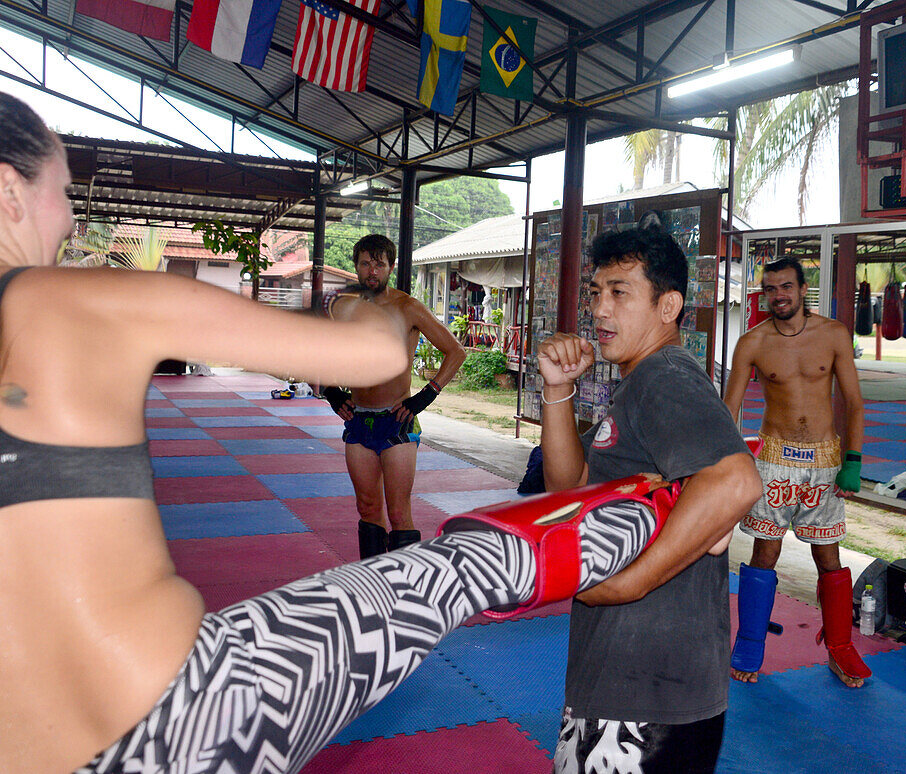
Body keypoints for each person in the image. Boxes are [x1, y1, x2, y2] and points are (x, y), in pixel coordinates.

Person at [0, 92, 676, 774]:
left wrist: (414, 378)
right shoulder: (68, 297)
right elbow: (375, 357)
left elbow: (425, 357)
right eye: (62, 190)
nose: (70, 215)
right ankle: (639, 520)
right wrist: (365, 320)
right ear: (10, 188)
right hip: (185, 714)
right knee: (459, 564)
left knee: (404, 515)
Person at [537, 216, 762, 773]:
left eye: (620, 293)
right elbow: (568, 490)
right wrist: (556, 391)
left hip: (647, 694)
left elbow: (736, 480)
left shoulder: (665, 376)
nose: (600, 309)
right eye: (596, 292)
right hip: (630, 681)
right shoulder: (641, 380)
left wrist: (628, 584)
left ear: (669, 307)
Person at [723, 256, 871, 688]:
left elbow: (855, 403)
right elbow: (729, 410)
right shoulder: (752, 341)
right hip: (773, 458)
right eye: (770, 289)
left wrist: (854, 462)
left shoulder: (834, 334)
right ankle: (750, 644)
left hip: (825, 460)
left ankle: (840, 649)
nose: (778, 296)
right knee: (764, 554)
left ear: (803, 289)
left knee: (828, 556)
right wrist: (729, 462)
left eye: (786, 287)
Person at [319, 234, 466, 558]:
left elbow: (456, 351)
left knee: (398, 512)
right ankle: (374, 584)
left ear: (391, 267)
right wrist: (330, 391)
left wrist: (425, 396)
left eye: (379, 264)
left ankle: (405, 585)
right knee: (367, 507)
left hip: (397, 422)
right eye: (366, 263)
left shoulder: (407, 307)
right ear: (356, 267)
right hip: (358, 421)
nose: (372, 271)